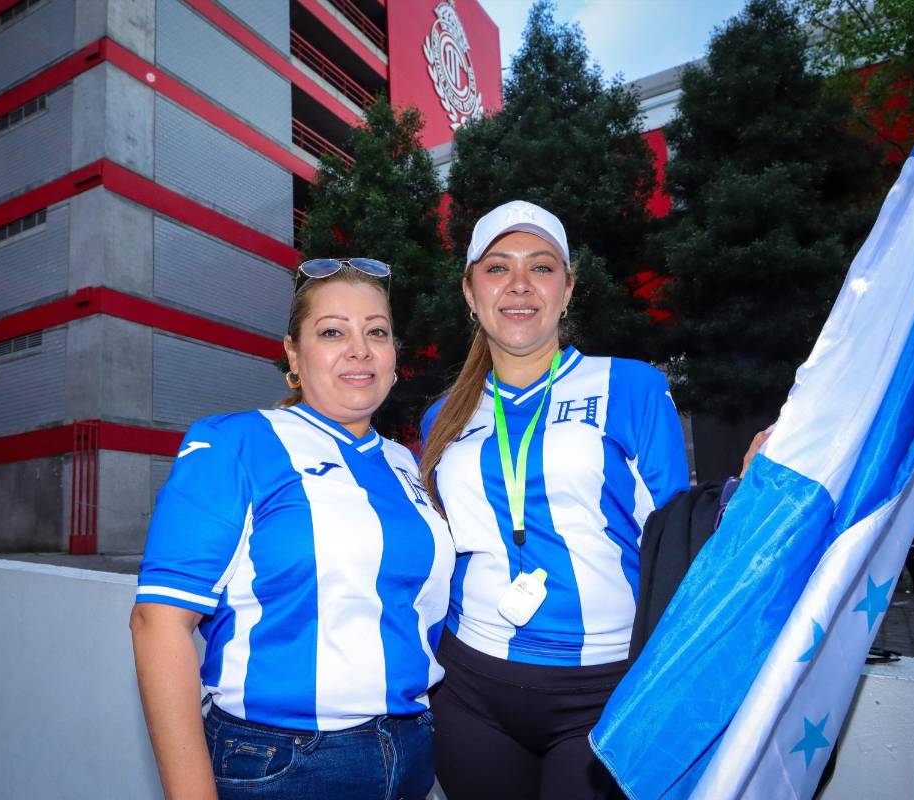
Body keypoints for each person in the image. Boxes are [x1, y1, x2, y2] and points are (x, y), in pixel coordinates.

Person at [130, 260, 453, 800]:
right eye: (333, 332)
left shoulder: (408, 465)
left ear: (395, 357)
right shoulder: (236, 442)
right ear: (294, 355)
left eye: (377, 331)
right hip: (282, 763)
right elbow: (156, 624)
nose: (360, 348)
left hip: (413, 752)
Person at [419, 201, 690, 799]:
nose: (519, 284)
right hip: (470, 687)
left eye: (541, 268)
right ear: (470, 292)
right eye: (497, 269)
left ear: (567, 290)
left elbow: (680, 540)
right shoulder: (443, 417)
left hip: (604, 688)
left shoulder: (633, 387)